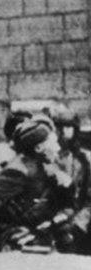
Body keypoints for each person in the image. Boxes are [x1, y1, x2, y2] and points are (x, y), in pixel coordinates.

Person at [0, 116, 75, 251]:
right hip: (17, 241)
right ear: (39, 148)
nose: (58, 148)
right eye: (53, 143)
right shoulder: (18, 170)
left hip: (39, 232)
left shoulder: (43, 164)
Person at [49, 104, 91, 253]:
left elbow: (88, 196)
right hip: (54, 215)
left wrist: (81, 220)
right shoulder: (49, 157)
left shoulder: (84, 159)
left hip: (80, 216)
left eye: (70, 127)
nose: (66, 132)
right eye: (62, 127)